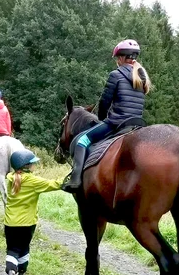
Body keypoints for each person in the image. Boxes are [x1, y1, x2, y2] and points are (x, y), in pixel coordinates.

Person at [61, 39, 151, 193]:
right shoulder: (142, 77)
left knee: (82, 141)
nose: (117, 61)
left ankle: (75, 180)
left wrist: (101, 119)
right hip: (137, 124)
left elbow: (104, 102)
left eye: (117, 58)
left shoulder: (116, 75)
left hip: (118, 123)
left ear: (122, 58)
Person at [3, 149, 62, 275]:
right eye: (32, 164)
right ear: (26, 166)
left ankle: (11, 273)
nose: (34, 166)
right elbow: (54, 184)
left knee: (12, 249)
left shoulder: (10, 177)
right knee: (24, 249)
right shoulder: (32, 181)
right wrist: (72, 176)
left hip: (10, 222)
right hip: (27, 223)